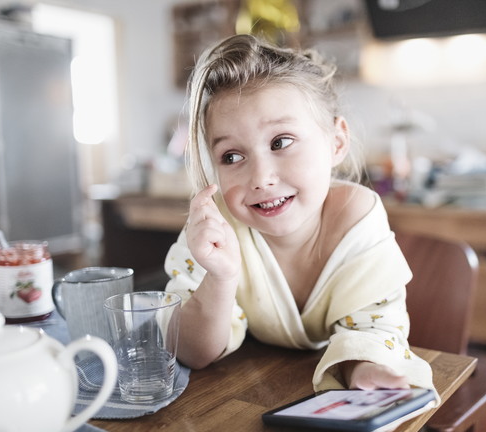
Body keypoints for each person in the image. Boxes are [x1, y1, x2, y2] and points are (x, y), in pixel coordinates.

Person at [164, 34, 438, 400]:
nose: (261, 179)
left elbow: (374, 334)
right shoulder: (216, 227)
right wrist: (220, 276)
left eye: (280, 142)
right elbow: (191, 351)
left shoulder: (357, 218)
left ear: (336, 142)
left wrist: (365, 369)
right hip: (251, 391)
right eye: (231, 156)